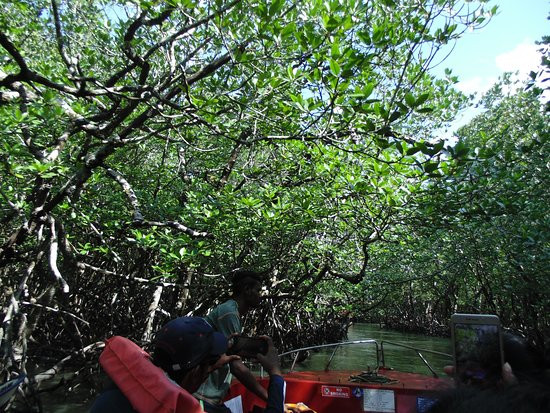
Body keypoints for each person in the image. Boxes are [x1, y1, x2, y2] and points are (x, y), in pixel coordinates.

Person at [90, 316, 285, 413]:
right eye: (207, 365)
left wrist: (210, 362)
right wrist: (275, 374)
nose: (210, 370)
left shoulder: (116, 393)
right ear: (193, 372)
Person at [195, 270, 268, 413]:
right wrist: (270, 398)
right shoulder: (229, 313)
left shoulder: (230, 310)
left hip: (210, 396)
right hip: (203, 396)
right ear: (247, 290)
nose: (261, 295)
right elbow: (236, 366)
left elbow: (228, 348)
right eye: (258, 290)